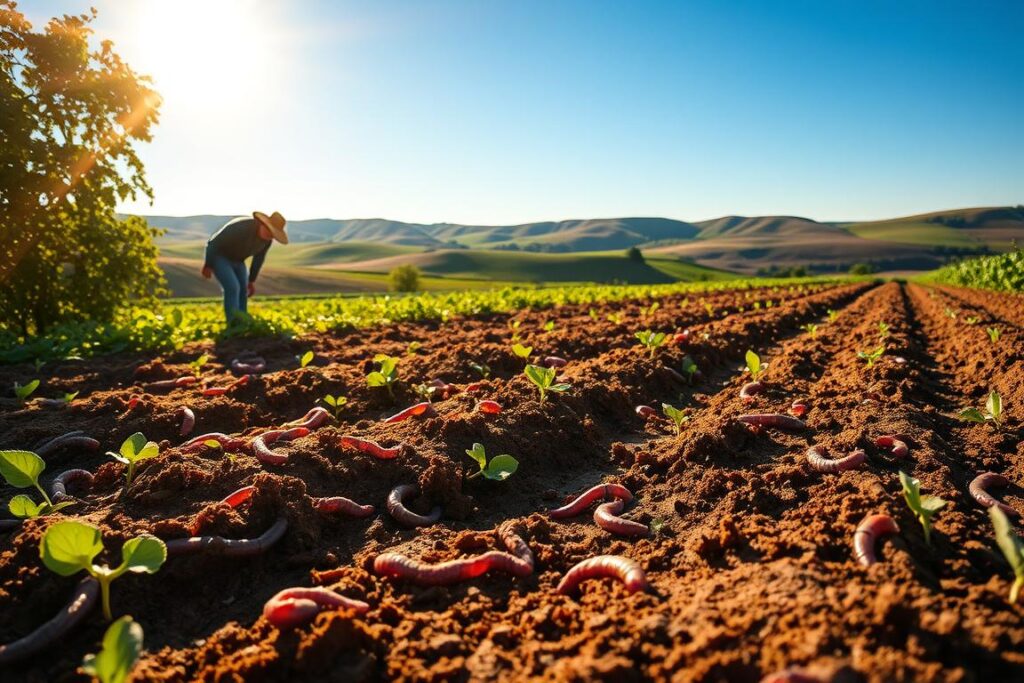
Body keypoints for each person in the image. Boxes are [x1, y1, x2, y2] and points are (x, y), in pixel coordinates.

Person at [202, 211, 288, 322]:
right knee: (233, 288)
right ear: (263, 224)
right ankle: (233, 323)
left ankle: (243, 322)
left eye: (273, 234)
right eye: (269, 231)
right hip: (220, 257)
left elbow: (258, 259)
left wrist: (251, 281)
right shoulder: (242, 227)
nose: (269, 236)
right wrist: (208, 264)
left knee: (243, 290)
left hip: (238, 260)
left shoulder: (267, 241)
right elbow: (214, 243)